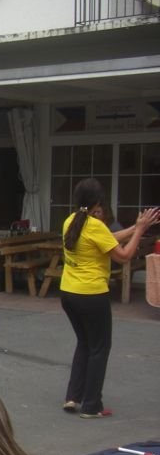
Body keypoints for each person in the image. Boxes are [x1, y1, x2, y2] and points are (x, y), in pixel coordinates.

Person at [59, 178, 160, 418]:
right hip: (91, 294)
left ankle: (73, 397)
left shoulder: (71, 221)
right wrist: (141, 231)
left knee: (85, 343)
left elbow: (108, 237)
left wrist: (134, 228)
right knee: (99, 348)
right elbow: (123, 256)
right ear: (97, 201)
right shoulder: (94, 225)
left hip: (68, 292)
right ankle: (91, 405)